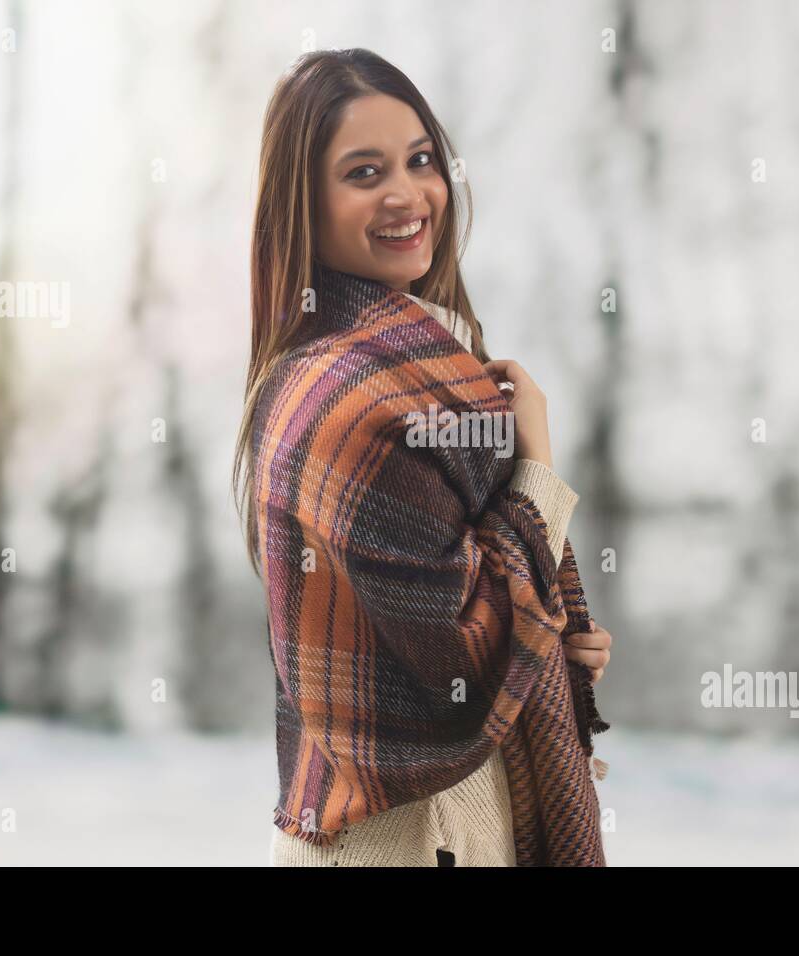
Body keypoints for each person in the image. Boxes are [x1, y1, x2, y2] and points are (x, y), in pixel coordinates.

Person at [232, 48, 614, 867]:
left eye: (421, 161)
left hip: (459, 830)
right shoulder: (350, 399)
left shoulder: (435, 370)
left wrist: (552, 643)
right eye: (364, 173)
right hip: (399, 843)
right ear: (307, 201)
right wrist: (538, 472)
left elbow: (476, 610)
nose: (408, 195)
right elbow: (463, 656)